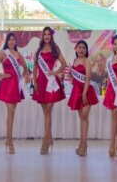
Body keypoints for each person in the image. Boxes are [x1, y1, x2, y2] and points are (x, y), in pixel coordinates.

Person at [0, 32, 29, 154]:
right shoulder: (3, 53)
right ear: (7, 41)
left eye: (13, 39)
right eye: (9, 39)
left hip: (16, 86)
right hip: (7, 85)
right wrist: (0, 75)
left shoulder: (18, 54)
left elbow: (26, 69)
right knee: (10, 111)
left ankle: (8, 139)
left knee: (12, 113)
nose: (11, 41)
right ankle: (10, 140)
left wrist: (22, 79)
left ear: (16, 42)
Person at [32, 26, 67, 155]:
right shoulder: (39, 50)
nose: (47, 36)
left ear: (51, 36)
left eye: (48, 34)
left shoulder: (55, 49)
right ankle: (50, 138)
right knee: (45, 112)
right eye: (44, 34)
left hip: (51, 82)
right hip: (41, 82)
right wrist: (34, 81)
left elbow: (64, 63)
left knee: (48, 111)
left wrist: (56, 72)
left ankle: (45, 142)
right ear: (43, 36)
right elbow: (35, 66)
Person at [68, 40, 99, 156]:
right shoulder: (74, 61)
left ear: (86, 50)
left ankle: (83, 145)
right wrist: (70, 75)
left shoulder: (87, 62)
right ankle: (82, 144)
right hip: (76, 92)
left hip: (86, 92)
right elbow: (72, 78)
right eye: (79, 47)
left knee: (84, 117)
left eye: (83, 48)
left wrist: (84, 93)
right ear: (76, 49)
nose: (81, 50)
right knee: (82, 119)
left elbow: (87, 79)